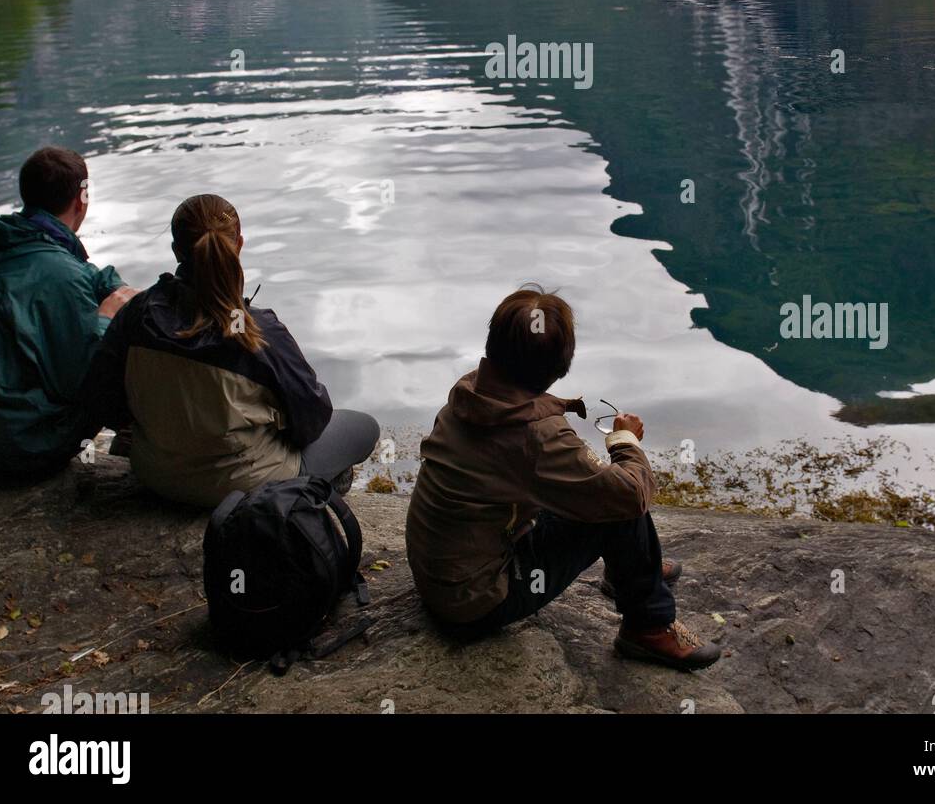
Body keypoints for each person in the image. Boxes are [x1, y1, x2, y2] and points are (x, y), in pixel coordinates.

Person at [405, 286, 720, 671]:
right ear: (560, 366)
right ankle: (648, 626)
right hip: (476, 601)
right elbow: (631, 495)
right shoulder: (536, 435)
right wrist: (624, 440)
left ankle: (633, 573)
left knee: (595, 489)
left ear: (494, 346)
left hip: (444, 577)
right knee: (620, 501)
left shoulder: (471, 395)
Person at [81, 193, 379, 509]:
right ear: (238, 244)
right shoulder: (257, 331)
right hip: (245, 489)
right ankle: (306, 502)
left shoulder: (138, 315)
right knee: (363, 427)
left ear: (176, 250)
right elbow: (313, 420)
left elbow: (102, 400)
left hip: (156, 477)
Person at [0, 146, 137, 479]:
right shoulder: (66, 279)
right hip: (24, 449)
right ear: (82, 199)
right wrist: (106, 318)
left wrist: (99, 280)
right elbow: (82, 382)